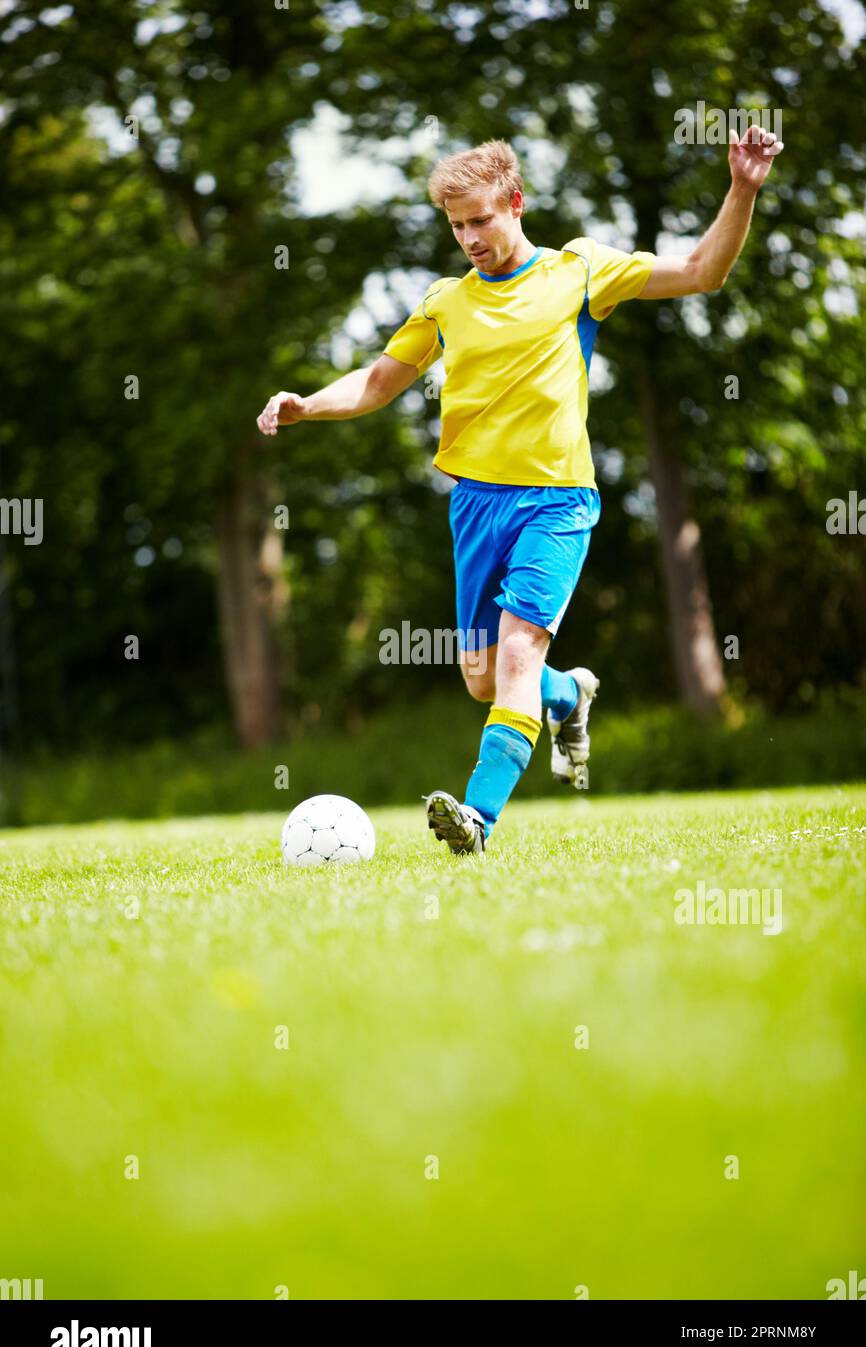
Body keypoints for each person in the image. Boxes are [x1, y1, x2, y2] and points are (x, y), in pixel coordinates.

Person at [257, 128, 783, 855]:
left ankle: (477, 817)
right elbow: (380, 382)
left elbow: (702, 270)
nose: (469, 237)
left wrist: (743, 189)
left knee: (513, 659)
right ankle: (571, 696)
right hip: (475, 505)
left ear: (515, 203)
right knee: (484, 679)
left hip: (556, 501)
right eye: (457, 225)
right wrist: (306, 405)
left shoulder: (580, 271)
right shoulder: (446, 302)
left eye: (480, 219)